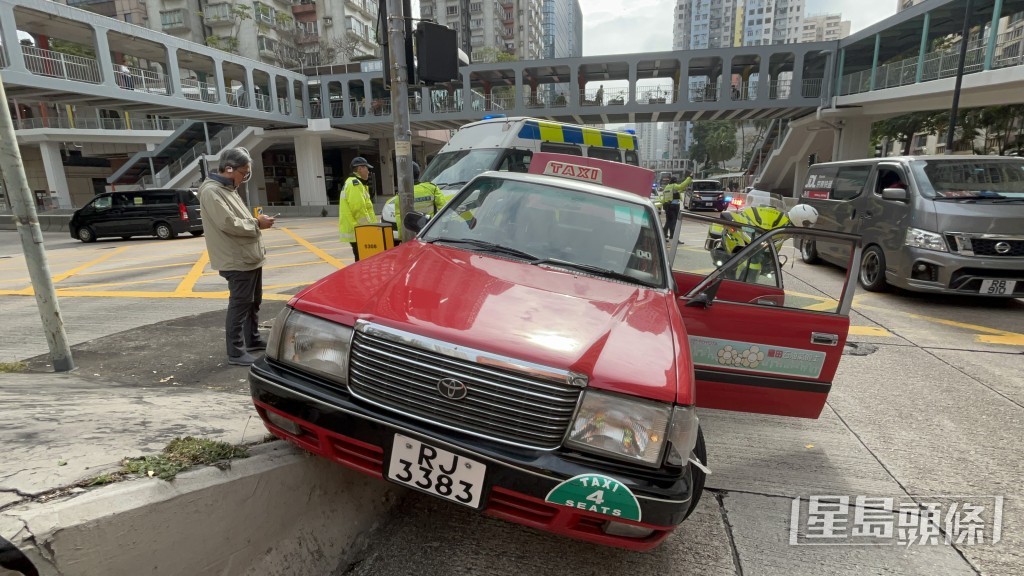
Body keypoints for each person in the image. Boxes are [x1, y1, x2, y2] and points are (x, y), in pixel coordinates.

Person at [197, 147, 275, 366]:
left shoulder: (228, 188)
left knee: (253, 302)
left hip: (248, 256)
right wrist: (257, 224)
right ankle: (236, 352)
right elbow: (228, 223)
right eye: (244, 173)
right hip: (236, 259)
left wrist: (256, 221)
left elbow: (238, 219)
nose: (245, 178)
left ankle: (252, 339)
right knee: (240, 304)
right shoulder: (212, 191)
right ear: (229, 169)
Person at [383, 161, 450, 244]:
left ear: (404, 177)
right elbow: (443, 209)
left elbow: (400, 219)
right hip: (429, 232)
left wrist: (402, 237)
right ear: (418, 173)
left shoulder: (400, 195)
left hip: (411, 235)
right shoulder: (432, 188)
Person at [338, 156, 378, 262]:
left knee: (361, 259)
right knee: (362, 260)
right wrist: (368, 228)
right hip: (359, 230)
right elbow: (359, 210)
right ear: (360, 168)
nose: (368, 172)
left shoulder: (355, 183)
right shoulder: (354, 184)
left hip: (357, 230)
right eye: (367, 168)